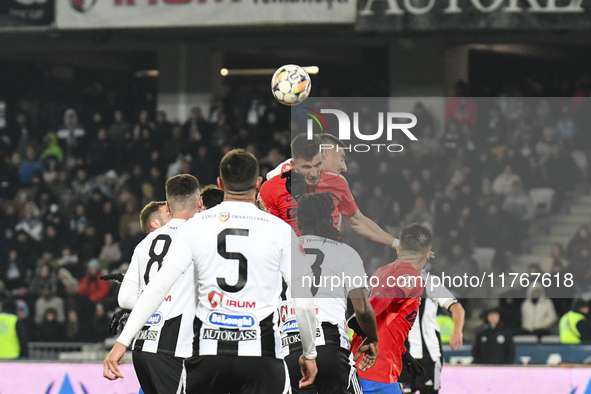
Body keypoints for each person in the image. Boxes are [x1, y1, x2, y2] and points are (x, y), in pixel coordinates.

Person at [104, 149, 318, 394]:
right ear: (258, 183)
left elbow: (158, 288)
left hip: (209, 355)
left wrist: (122, 342)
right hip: (261, 353)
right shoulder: (279, 229)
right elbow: (302, 300)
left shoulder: (195, 227)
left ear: (219, 183)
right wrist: (309, 353)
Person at [282, 193, 379, 394]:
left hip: (288, 347)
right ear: (329, 219)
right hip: (329, 346)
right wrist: (371, 338)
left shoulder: (282, 251)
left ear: (298, 220)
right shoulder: (345, 253)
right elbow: (362, 309)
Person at [116, 175, 200, 394]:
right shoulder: (196, 236)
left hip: (143, 345)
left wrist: (155, 303)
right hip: (173, 346)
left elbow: (124, 299)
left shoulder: (145, 242)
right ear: (199, 202)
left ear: (169, 205)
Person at [259, 133, 400, 250]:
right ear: (325, 154)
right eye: (341, 159)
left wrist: (396, 243)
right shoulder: (276, 180)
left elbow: (358, 221)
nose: (344, 167)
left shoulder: (337, 182)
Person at [350, 223, 432, 394]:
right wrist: (359, 319)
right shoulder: (412, 277)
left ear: (398, 249)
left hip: (359, 365)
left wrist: (403, 353)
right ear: (428, 254)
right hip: (377, 371)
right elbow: (385, 297)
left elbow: (385, 319)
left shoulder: (381, 271)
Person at [399, 273, 465, 394]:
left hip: (429, 356)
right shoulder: (391, 281)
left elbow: (456, 307)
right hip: (402, 356)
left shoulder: (429, 281)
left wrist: (457, 331)